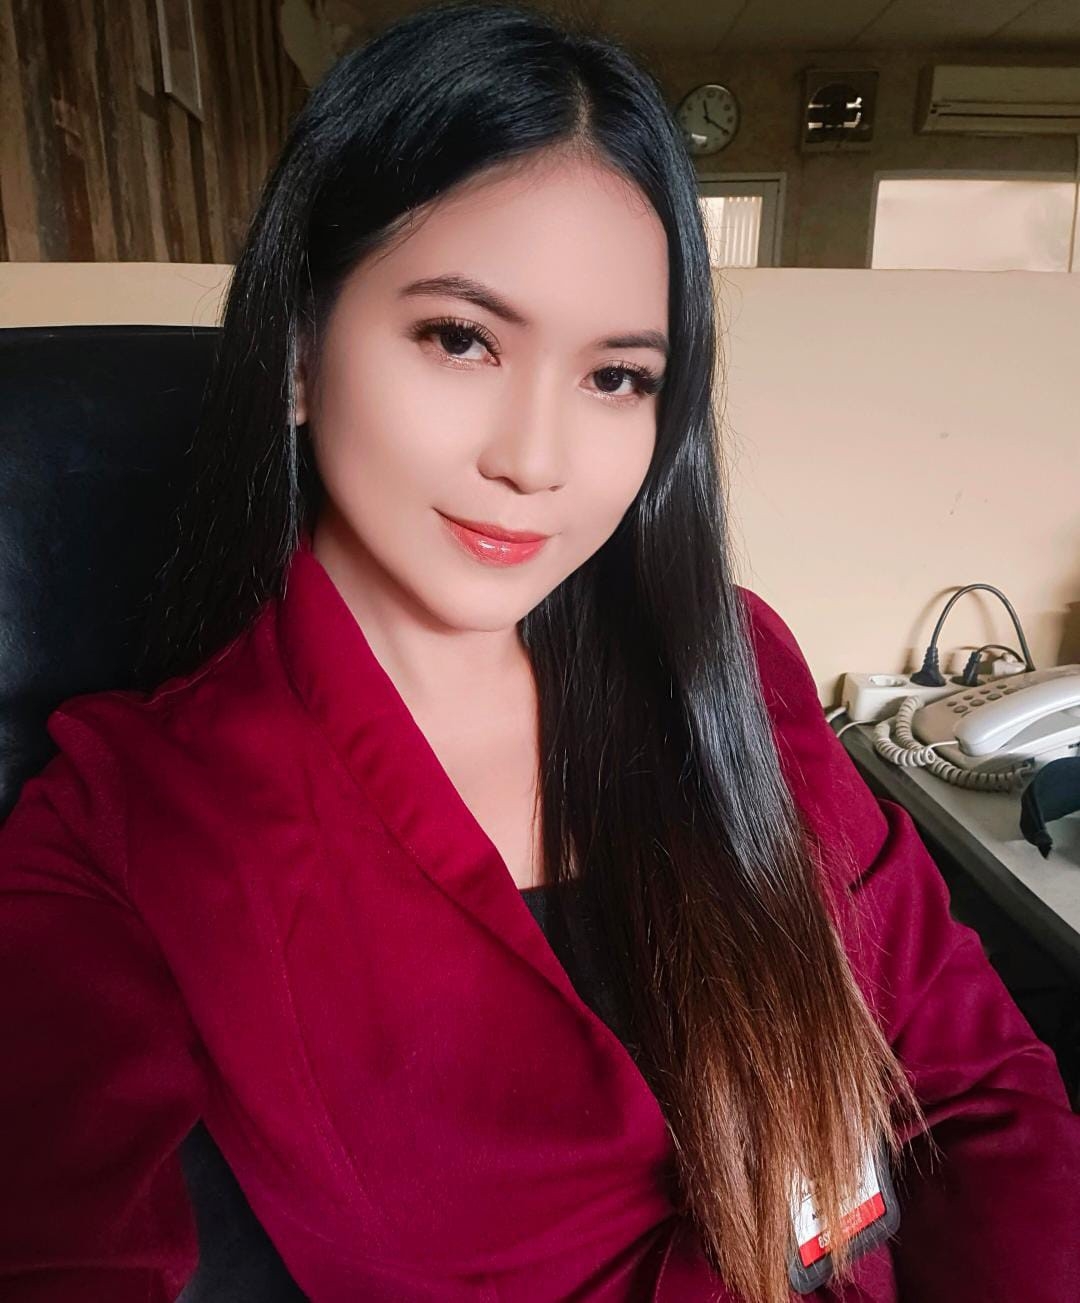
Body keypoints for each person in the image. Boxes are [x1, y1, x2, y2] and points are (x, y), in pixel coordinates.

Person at [1, 5, 1078, 1302]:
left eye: (616, 377)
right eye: (461, 339)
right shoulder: (134, 820)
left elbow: (975, 1093)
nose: (536, 460)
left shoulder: (728, 666)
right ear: (296, 352)